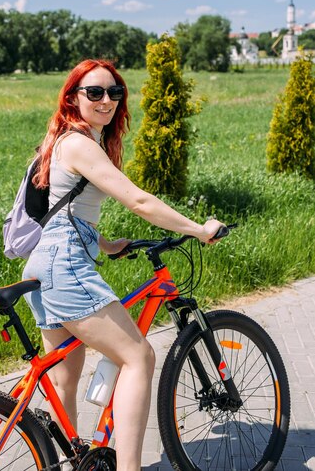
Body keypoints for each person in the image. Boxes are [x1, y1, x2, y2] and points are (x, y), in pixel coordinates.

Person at [22, 59, 225, 471]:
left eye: (114, 92)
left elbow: (62, 214)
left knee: (64, 377)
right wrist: (198, 229)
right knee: (139, 357)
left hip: (42, 264)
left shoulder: (61, 140)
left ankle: (66, 463)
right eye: (94, 92)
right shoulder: (80, 143)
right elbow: (139, 201)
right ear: (72, 97)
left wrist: (107, 243)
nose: (106, 100)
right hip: (65, 265)